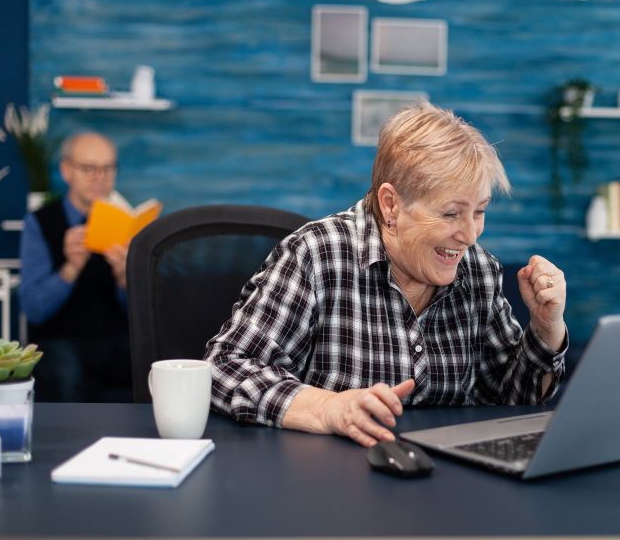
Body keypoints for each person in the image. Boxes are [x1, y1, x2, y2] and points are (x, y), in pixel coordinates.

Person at [204, 102, 568, 447]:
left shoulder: (479, 272)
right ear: (391, 204)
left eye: (480, 212)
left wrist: (546, 328)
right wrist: (329, 408)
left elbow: (513, 399)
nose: (470, 235)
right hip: (326, 478)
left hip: (446, 484)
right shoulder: (318, 255)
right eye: (451, 214)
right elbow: (222, 368)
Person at [19, 132, 132, 402]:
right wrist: (70, 268)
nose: (99, 177)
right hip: (59, 339)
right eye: (89, 168)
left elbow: (141, 314)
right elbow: (34, 310)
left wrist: (125, 278)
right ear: (66, 170)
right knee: (64, 371)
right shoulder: (40, 223)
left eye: (108, 168)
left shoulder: (127, 222)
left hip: (114, 339)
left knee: (150, 363)